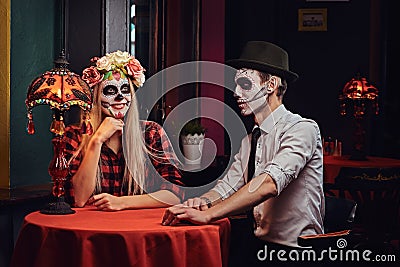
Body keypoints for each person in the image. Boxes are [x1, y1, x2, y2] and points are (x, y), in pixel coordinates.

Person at [162, 41, 324, 265]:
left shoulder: (302, 128)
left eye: (245, 84)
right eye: (236, 84)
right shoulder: (250, 140)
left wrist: (209, 214)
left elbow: (269, 183)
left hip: (297, 252)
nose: (236, 93)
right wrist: (200, 202)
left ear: (271, 85)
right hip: (260, 248)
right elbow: (228, 187)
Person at [63, 50, 185, 211]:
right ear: (95, 95)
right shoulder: (75, 135)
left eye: (126, 90)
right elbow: (78, 199)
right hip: (94, 230)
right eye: (111, 91)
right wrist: (96, 141)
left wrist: (122, 203)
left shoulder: (151, 133)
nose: (120, 97)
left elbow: (174, 194)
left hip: (140, 228)